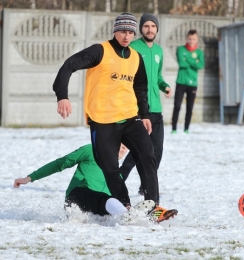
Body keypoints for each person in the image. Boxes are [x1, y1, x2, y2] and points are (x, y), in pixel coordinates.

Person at [52, 13, 159, 207]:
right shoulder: (100, 51)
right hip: (102, 121)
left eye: (130, 32)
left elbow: (140, 88)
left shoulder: (135, 57)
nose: (126, 36)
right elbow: (68, 66)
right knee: (110, 168)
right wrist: (63, 96)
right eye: (123, 31)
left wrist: (144, 115)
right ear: (115, 31)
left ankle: (152, 205)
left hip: (129, 118)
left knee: (147, 154)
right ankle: (125, 206)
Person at [13, 144, 178, 222]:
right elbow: (60, 163)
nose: (124, 147)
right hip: (76, 197)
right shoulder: (91, 150)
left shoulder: (116, 175)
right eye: (120, 142)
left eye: (126, 146)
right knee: (106, 200)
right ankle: (128, 217)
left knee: (116, 203)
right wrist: (30, 178)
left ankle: (149, 217)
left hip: (99, 206)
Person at [119, 13, 172, 195]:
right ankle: (118, 179)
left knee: (157, 152)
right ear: (141, 29)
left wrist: (164, 86)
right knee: (138, 151)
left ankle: (146, 186)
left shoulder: (159, 51)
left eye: (153, 26)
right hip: (138, 109)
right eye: (146, 26)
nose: (150, 29)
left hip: (156, 108)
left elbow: (157, 76)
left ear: (157, 29)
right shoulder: (133, 47)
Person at [171, 29, 204, 134]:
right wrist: (194, 61)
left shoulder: (199, 52)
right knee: (177, 106)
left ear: (197, 39)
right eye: (190, 38)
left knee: (189, 107)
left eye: (194, 39)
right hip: (181, 82)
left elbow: (201, 65)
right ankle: (174, 128)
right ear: (187, 38)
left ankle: (186, 128)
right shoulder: (180, 49)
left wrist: (187, 58)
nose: (191, 41)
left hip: (193, 84)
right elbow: (181, 63)